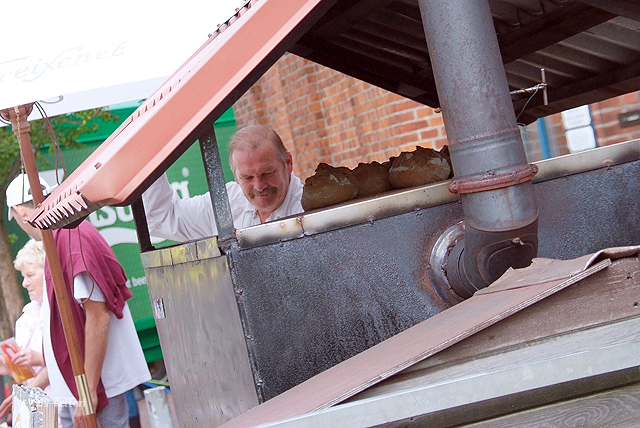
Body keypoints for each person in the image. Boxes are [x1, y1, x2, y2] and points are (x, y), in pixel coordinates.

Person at [6, 174, 151, 428]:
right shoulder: (62, 235)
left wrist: (88, 391)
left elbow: (98, 314)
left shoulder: (70, 235)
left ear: (19, 211)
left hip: (95, 388)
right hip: (82, 388)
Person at [143, 124, 304, 241]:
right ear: (236, 177)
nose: (259, 186)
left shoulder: (310, 211)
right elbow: (162, 217)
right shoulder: (226, 202)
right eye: (247, 177)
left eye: (267, 173)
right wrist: (149, 144)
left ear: (288, 163)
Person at [0, 239, 49, 422]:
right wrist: (9, 364)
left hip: (64, 403)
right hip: (39, 408)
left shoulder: (63, 312)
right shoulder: (26, 317)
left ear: (48, 273)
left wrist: (40, 359)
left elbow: (70, 360)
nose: (25, 283)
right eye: (23, 276)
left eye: (30, 275)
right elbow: (25, 371)